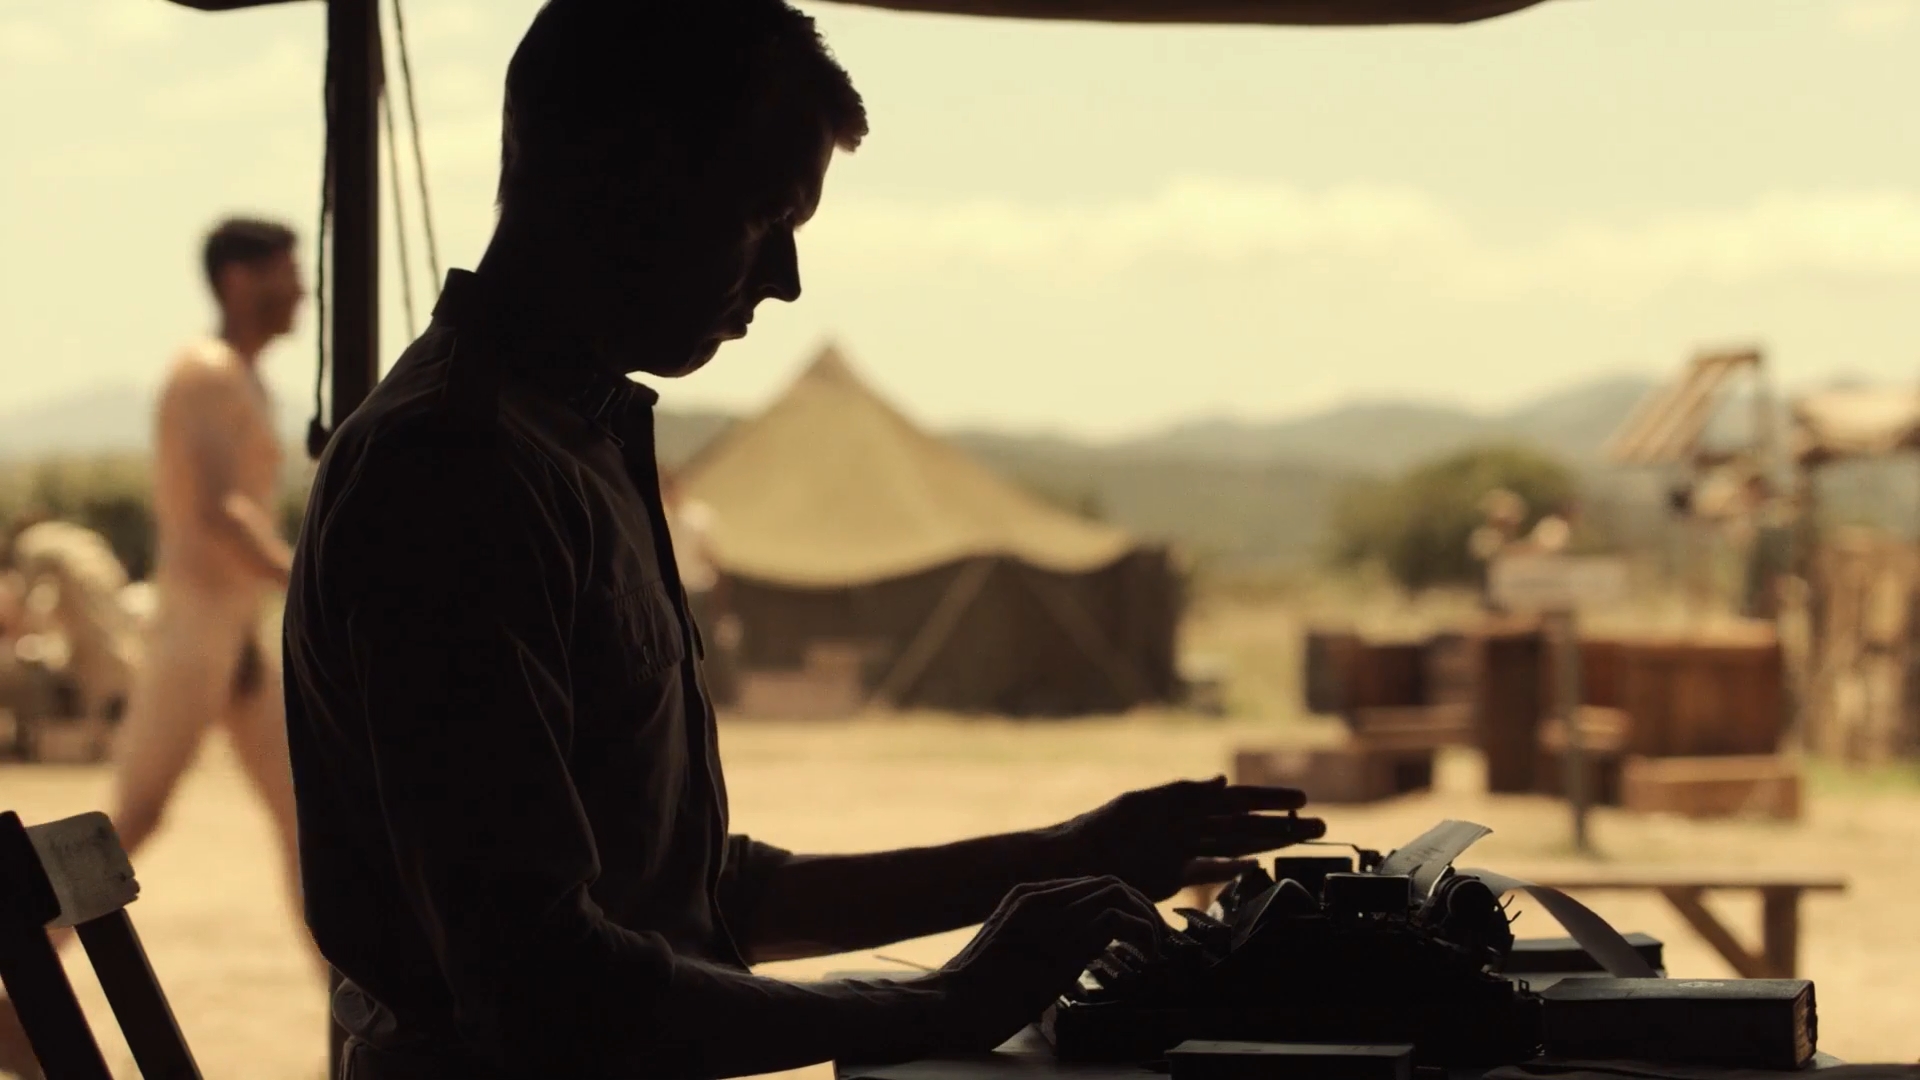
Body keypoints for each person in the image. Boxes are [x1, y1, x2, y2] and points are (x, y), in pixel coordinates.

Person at [282, 4, 1325, 1078]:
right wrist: (945, 1003)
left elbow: (703, 896)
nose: (784, 278)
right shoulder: (456, 473)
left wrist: (1070, 855)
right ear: (623, 172)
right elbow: (545, 989)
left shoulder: (569, 446)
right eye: (762, 214)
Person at [0, 220, 312, 1078]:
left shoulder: (236, 375)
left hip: (229, 636)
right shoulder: (203, 374)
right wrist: (308, 575)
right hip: (191, 635)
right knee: (126, 821)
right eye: (287, 271)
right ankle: (17, 982)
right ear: (239, 278)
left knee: (306, 819)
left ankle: (353, 1005)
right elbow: (218, 512)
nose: (303, 288)